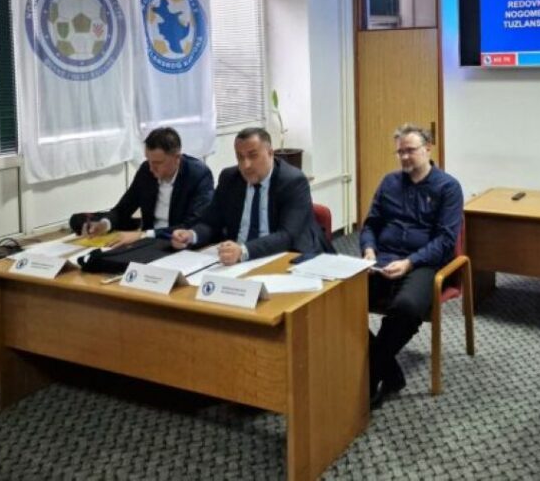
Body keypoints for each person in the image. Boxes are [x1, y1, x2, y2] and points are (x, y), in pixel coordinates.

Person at [361, 124, 463, 407]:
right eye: (400, 152)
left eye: (411, 150)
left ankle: (371, 371)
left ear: (427, 149)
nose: (405, 157)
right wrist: (368, 250)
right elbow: (370, 224)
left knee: (406, 308)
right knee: (336, 301)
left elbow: (445, 241)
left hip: (423, 263)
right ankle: (390, 371)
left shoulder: (448, 187)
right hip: (381, 260)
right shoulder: (389, 182)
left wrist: (409, 263)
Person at [171, 127, 331, 264]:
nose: (246, 165)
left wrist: (243, 251)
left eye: (253, 156)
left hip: (285, 256)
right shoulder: (229, 178)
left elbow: (287, 236)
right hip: (237, 260)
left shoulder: (292, 181)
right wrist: (191, 235)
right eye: (240, 157)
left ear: (270, 153)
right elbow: (211, 222)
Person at [82, 127, 214, 247]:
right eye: (148, 160)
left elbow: (191, 225)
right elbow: (123, 209)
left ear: (177, 158)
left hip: (177, 243)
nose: (151, 168)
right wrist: (104, 224)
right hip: (148, 242)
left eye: (157, 163)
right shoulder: (146, 171)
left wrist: (143, 235)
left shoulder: (198, 175)